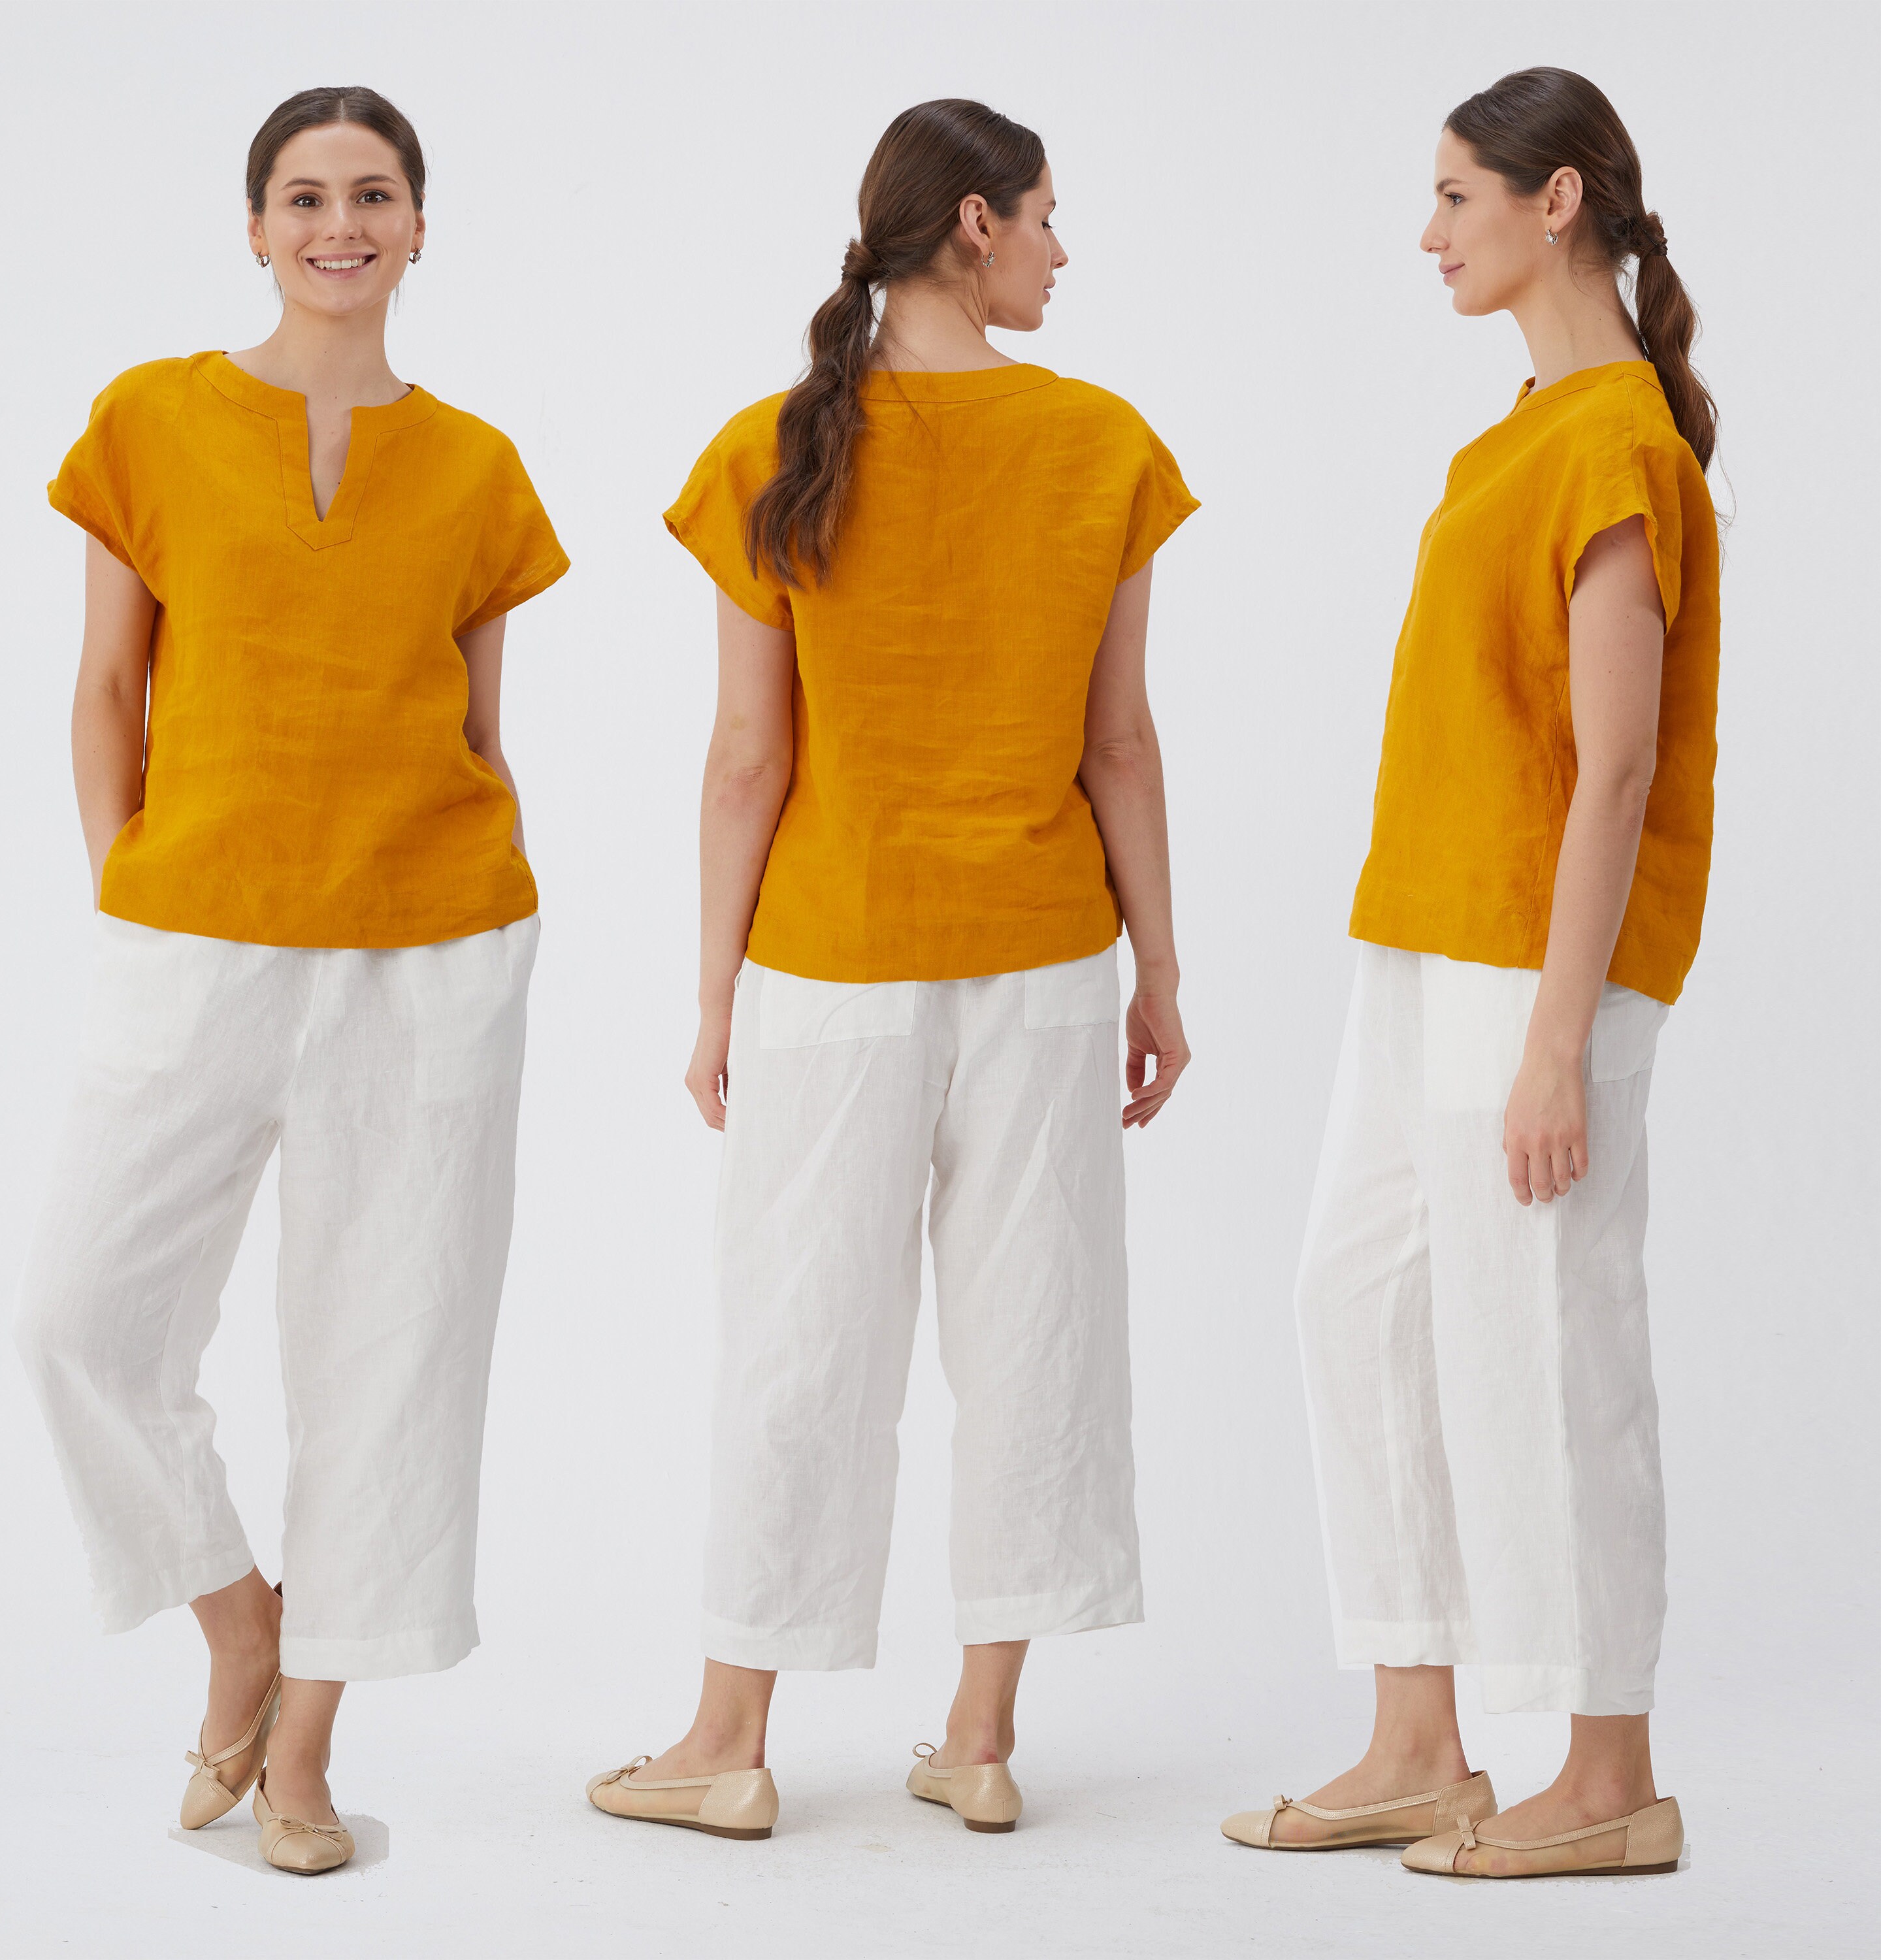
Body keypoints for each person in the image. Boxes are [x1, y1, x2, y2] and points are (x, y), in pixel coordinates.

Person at [585, 99, 1196, 1840]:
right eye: (1050, 217)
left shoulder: (774, 447)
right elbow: (1122, 743)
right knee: (1037, 1337)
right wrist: (1160, 975)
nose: (1064, 251)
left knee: (800, 1343)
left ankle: (729, 1741)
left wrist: (715, 994)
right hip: (1045, 960)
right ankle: (982, 1739)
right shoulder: (1101, 445)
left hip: (833, 963)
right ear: (978, 223)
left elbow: (744, 760)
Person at [16, 86, 566, 1876]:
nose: (343, 224)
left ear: (420, 228)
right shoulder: (152, 421)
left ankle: (309, 1753)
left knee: (391, 1350)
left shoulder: (477, 467)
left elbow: (480, 727)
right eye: (309, 195)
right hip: (197, 931)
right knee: (79, 1319)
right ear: (255, 227)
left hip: (433, 949)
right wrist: (129, 883)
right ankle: (239, 1622)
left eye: (376, 194)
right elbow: (107, 687)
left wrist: (487, 915)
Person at [1220, 68, 1719, 1879]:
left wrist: (1560, 1043)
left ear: (1555, 198)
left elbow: (1622, 766)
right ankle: (1420, 1741)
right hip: (1427, 936)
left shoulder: (1614, 441)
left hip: (1535, 956)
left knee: (1542, 1334)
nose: (1428, 234)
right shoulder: (1516, 435)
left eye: (1454, 197)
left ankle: (1608, 1774)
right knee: (1355, 1298)